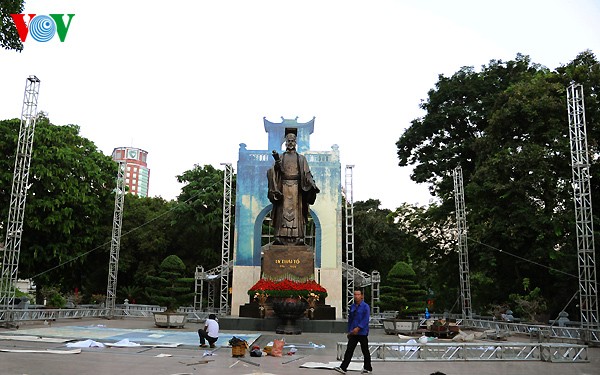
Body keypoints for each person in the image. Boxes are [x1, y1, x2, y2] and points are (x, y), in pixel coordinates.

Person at [267, 132, 319, 246]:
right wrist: (276, 166)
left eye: (292, 141)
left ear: (295, 142)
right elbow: (274, 171)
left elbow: (307, 174)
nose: (290, 143)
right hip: (284, 186)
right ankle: (279, 236)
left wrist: (312, 184)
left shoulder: (301, 158)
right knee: (282, 212)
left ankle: (299, 237)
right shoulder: (281, 157)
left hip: (297, 188)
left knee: (297, 213)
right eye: (288, 141)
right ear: (286, 142)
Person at [334, 289, 372, 374]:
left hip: (362, 332)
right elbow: (351, 319)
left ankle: (368, 367)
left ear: (361, 296)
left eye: (358, 295)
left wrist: (358, 328)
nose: (356, 296)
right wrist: (350, 331)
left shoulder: (365, 306)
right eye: (355, 294)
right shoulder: (353, 306)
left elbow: (365, 319)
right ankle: (343, 367)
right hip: (353, 333)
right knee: (349, 350)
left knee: (365, 350)